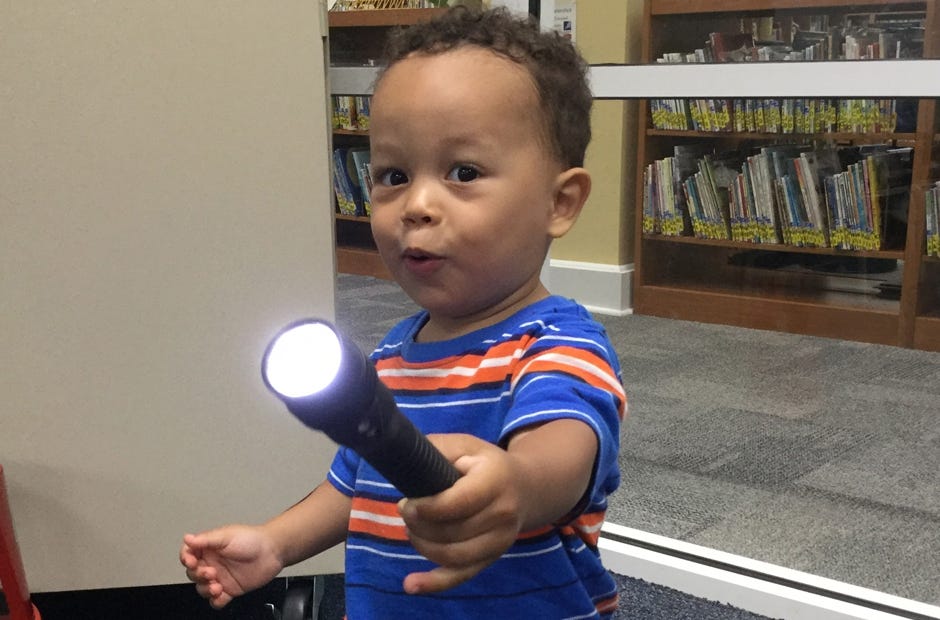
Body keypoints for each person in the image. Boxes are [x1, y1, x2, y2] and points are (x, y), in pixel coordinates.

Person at [181, 6, 626, 618]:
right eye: (392, 174)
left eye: (462, 172)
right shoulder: (391, 356)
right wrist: (276, 544)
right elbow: (354, 486)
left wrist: (517, 487)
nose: (415, 204)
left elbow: (563, 455)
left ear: (560, 201)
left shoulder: (558, 345)